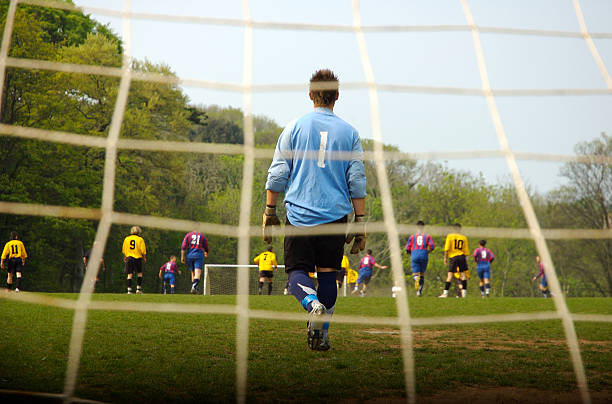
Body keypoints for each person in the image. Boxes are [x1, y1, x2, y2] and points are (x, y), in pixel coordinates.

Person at [262, 69, 367, 351]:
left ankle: (312, 305)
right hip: (334, 218)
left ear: (310, 95)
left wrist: (270, 212)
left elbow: (277, 174)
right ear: (337, 96)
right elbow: (356, 180)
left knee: (297, 273)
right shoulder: (350, 133)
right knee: (328, 274)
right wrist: (360, 222)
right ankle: (321, 335)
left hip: (299, 215)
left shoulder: (294, 127)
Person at [405, 220, 435, 296]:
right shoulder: (427, 236)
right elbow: (432, 246)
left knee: (415, 274)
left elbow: (407, 248)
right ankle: (419, 292)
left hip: (414, 254)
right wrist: (428, 252)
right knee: (422, 274)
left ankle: (416, 279)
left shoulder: (412, 236)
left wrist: (410, 254)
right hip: (424, 254)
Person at [439, 223, 469, 298]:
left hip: (453, 257)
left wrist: (445, 258)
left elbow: (446, 249)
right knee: (463, 275)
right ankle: (464, 293)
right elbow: (466, 251)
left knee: (450, 275)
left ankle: (445, 293)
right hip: (462, 256)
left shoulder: (450, 236)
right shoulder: (463, 237)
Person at [181, 230, 209, 294]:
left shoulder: (188, 235)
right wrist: (206, 252)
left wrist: (182, 257)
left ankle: (193, 288)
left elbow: (183, 246)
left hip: (190, 255)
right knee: (198, 272)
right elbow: (206, 246)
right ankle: (194, 286)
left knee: (192, 272)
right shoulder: (201, 235)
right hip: (198, 255)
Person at [122, 226, 147, 294]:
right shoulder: (140, 239)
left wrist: (125, 256)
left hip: (129, 257)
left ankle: (129, 290)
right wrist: (144, 257)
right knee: (139, 273)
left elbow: (124, 249)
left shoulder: (127, 239)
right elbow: (143, 250)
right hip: (137, 257)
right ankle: (138, 289)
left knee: (129, 274)